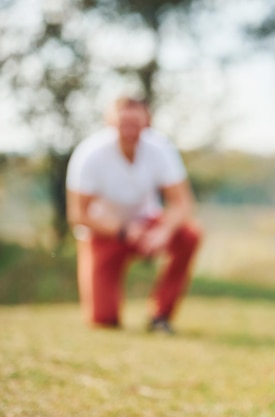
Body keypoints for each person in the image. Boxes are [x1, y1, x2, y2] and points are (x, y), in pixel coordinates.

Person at [66, 96, 202, 334]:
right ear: (109, 123)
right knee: (103, 319)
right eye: (123, 124)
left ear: (147, 123)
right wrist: (122, 230)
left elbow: (183, 203)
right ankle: (107, 308)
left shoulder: (160, 148)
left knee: (190, 236)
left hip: (146, 224)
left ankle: (160, 314)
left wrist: (163, 231)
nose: (130, 131)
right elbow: (78, 215)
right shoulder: (89, 154)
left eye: (136, 124)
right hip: (103, 233)